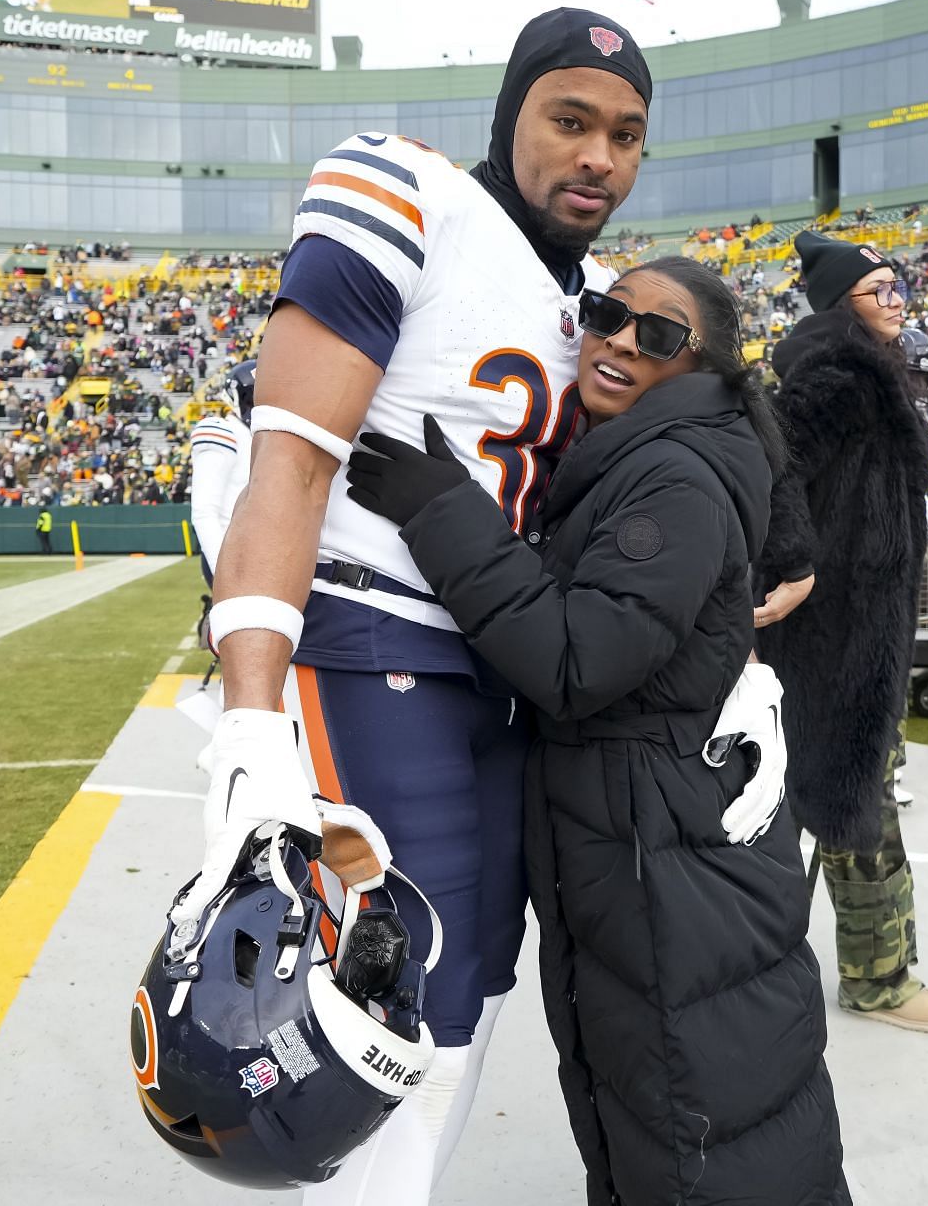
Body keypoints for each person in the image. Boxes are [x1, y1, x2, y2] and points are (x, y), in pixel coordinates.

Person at [176, 8, 657, 1201]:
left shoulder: (605, 301)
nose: (599, 155)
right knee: (373, 990)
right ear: (513, 116)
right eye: (571, 119)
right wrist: (249, 722)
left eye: (628, 134)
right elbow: (288, 458)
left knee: (478, 975)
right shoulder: (406, 189)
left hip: (510, 674)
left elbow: (696, 467)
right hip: (374, 639)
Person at [344, 257, 848, 1203]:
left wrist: (442, 511)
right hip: (653, 851)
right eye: (607, 313)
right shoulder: (643, 455)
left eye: (656, 333)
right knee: (669, 1125)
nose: (618, 338)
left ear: (703, 366)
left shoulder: (675, 480)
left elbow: (576, 661)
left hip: (670, 870)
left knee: (701, 1135)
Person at [754, 230, 928, 1034]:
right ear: (844, 302)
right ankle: (879, 980)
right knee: (852, 806)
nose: (898, 302)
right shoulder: (839, 373)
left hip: (861, 633)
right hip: (833, 636)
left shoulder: (869, 372)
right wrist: (799, 562)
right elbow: (772, 471)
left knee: (843, 797)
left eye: (899, 288)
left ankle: (841, 970)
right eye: (881, 290)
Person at [187, 359, 254, 579]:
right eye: (252, 398)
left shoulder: (259, 439)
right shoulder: (223, 431)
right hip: (231, 555)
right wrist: (223, 574)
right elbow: (205, 511)